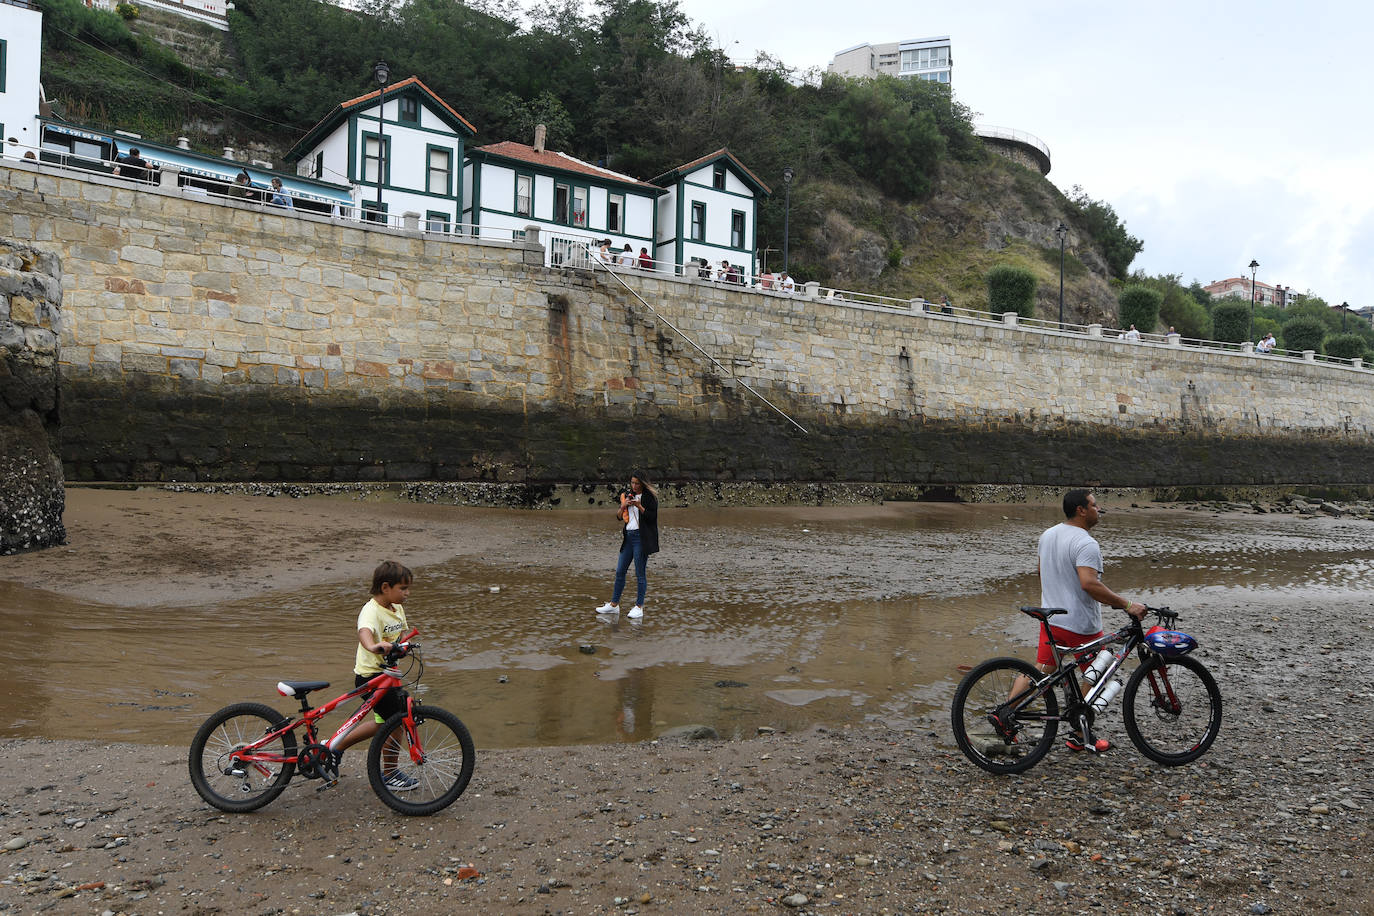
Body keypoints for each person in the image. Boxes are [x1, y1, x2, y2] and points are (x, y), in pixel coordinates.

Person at [1020, 490, 1146, 753]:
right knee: (1098, 674)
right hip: (1080, 624)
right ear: (1081, 510)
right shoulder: (1086, 543)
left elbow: (1042, 572)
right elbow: (1089, 583)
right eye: (1094, 505)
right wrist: (1126, 604)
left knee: (1039, 672)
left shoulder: (1048, 535)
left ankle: (1005, 719)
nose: (1098, 509)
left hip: (1052, 620)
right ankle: (1079, 732)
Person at [328, 560, 420, 790]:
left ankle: (334, 746)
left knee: (383, 723)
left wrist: (403, 646)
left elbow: (399, 635)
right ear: (386, 587)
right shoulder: (371, 610)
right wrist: (372, 646)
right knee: (396, 720)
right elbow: (365, 632)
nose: (407, 594)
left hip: (388, 674)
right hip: (371, 677)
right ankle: (389, 774)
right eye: (403, 588)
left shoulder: (396, 608)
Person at [594, 471, 660, 619]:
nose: (634, 486)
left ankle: (639, 606)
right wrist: (623, 506)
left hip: (641, 538)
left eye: (637, 483)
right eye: (632, 483)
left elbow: (651, 517)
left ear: (643, 483)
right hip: (628, 538)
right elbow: (618, 517)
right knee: (619, 571)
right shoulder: (628, 495)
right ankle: (614, 605)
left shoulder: (650, 498)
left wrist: (639, 506)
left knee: (640, 573)